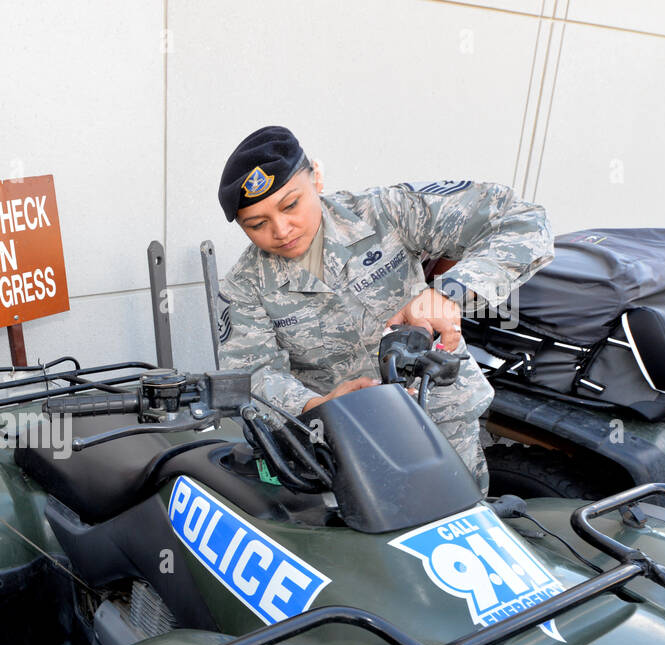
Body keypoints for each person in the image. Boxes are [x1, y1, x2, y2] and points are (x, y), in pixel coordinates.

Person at [214, 125, 554, 490]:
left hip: (441, 419)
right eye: (257, 224)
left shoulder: (384, 212)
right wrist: (318, 406)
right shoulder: (245, 286)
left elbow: (522, 221)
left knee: (459, 531)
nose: (281, 230)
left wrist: (450, 291)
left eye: (291, 204)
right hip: (346, 445)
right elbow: (252, 378)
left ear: (317, 177)